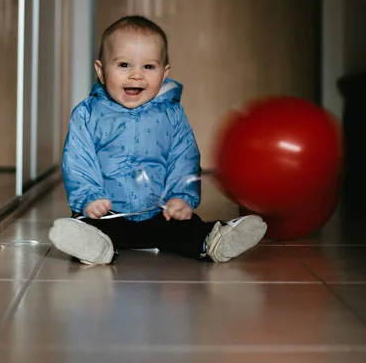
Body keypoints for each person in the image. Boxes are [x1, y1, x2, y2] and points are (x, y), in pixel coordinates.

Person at [49, 15, 267, 264]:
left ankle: (213, 240)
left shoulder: (171, 115)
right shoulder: (88, 113)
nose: (136, 76)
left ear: (164, 74)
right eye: (123, 65)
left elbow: (184, 157)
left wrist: (181, 196)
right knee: (87, 225)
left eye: (148, 67)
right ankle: (94, 247)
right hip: (105, 212)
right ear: (101, 70)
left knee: (184, 227)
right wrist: (89, 197)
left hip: (158, 212)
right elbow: (78, 159)